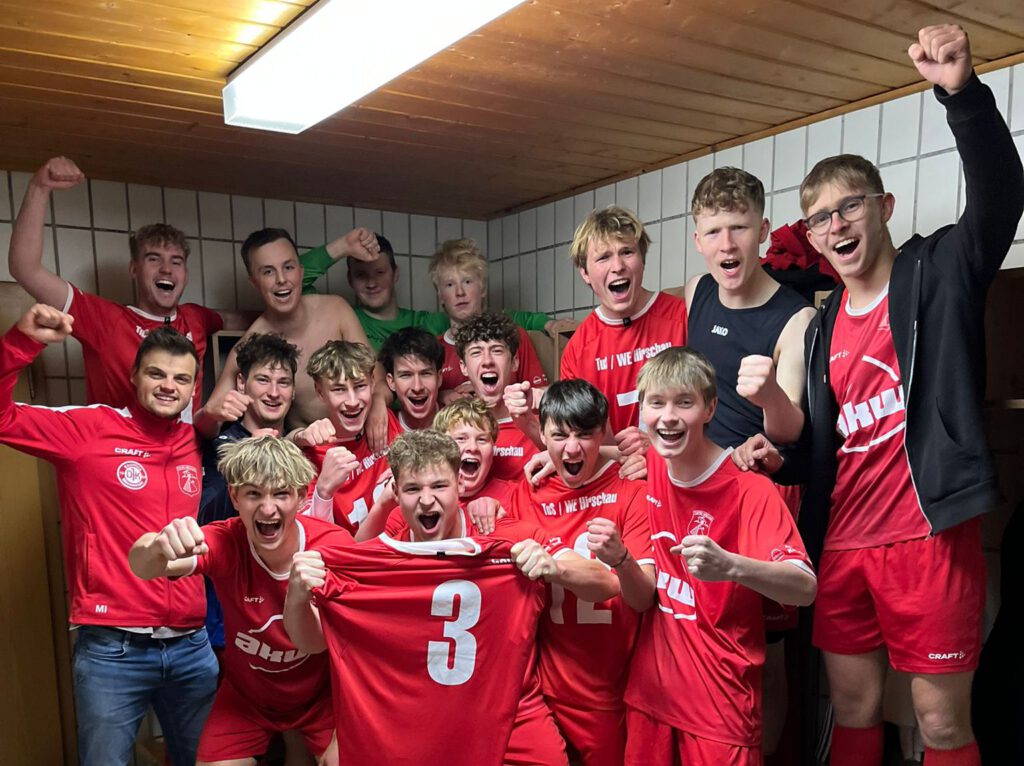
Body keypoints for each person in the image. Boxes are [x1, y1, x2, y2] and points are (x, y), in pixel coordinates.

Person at [744, 24, 1023, 766]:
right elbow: (825, 444)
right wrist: (778, 449)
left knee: (939, 723)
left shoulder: (939, 274)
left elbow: (1000, 199)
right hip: (844, 542)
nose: (836, 226)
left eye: (850, 207)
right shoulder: (821, 324)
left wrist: (962, 95)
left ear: (885, 206)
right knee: (855, 709)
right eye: (820, 218)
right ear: (811, 236)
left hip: (929, 537)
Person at [283, 429, 619, 766]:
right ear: (395, 492)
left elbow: (606, 584)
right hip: (417, 713)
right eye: (413, 489)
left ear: (459, 484)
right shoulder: (381, 558)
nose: (427, 500)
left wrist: (556, 568)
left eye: (439, 486)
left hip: (509, 708)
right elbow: (312, 642)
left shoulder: (507, 539)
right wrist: (297, 594)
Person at [0, 304, 218, 765]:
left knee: (205, 761)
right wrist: (22, 342)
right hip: (112, 648)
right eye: (156, 374)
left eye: (181, 379)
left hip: (192, 645)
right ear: (134, 376)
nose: (169, 386)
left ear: (192, 387)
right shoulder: (89, 429)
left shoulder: (193, 441)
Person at [625, 347, 816, 765]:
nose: (668, 417)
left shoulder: (749, 489)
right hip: (651, 696)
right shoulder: (652, 464)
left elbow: (804, 587)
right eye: (656, 403)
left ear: (710, 408)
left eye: (684, 403)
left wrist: (731, 566)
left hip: (721, 705)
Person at [684, 165, 815, 757]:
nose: (727, 244)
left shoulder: (796, 316)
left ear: (763, 231)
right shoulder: (697, 291)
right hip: (695, 487)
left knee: (766, 654)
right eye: (714, 231)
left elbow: (789, 431)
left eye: (738, 228)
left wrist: (768, 400)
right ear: (697, 239)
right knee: (697, 635)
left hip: (757, 494)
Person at [129, 436, 351, 766]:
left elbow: (347, 644)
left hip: (321, 699)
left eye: (281, 493)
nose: (267, 508)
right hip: (247, 700)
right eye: (253, 494)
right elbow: (143, 566)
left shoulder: (333, 544)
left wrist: (340, 733)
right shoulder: (225, 540)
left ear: (302, 496)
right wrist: (157, 545)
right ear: (234, 496)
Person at [6, 156, 250, 420]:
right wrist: (39, 187)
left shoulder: (196, 318)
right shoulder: (104, 319)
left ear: (186, 273)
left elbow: (242, 320)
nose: (166, 269)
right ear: (134, 269)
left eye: (176, 261)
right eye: (154, 259)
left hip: (184, 444)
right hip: (117, 444)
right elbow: (25, 269)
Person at [509, 379, 652, 765]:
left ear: (603, 432)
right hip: (542, 691)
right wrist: (480, 506)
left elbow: (642, 599)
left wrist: (621, 559)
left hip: (612, 692)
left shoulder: (631, 490)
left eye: (584, 435)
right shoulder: (526, 493)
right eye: (560, 435)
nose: (572, 448)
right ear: (542, 435)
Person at [198, 227, 392, 450]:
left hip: (363, 444)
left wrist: (378, 402)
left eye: (288, 267)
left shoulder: (336, 310)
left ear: (300, 271)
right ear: (254, 282)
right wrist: (209, 414)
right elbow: (209, 422)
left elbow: (379, 380)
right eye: (268, 272)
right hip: (309, 454)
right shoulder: (251, 345)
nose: (281, 279)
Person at [197, 332, 300, 655]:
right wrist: (247, 460)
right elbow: (207, 517)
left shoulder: (299, 448)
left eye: (283, 382)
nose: (274, 392)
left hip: (287, 613)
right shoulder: (217, 445)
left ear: (294, 391)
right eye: (263, 380)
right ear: (241, 383)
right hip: (227, 617)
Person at [559, 205, 688, 444]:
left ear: (642, 260)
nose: (617, 266)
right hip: (615, 465)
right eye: (603, 257)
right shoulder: (577, 350)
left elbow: (712, 408)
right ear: (585, 273)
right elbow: (578, 441)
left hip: (678, 461)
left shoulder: (684, 317)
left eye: (627, 252)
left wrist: (657, 449)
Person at [429, 238, 559, 400]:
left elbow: (541, 397)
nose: (459, 292)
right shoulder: (434, 350)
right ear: (441, 296)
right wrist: (439, 397)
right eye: (450, 285)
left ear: (483, 288)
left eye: (467, 282)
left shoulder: (514, 336)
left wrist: (491, 391)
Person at [297, 340, 390, 534]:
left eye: (360, 386)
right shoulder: (309, 459)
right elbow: (315, 537)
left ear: (373, 383)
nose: (352, 401)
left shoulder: (386, 422)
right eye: (339, 389)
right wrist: (324, 492)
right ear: (320, 392)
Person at [453, 313, 541, 481]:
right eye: (476, 352)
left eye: (497, 351)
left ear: (514, 362)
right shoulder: (453, 429)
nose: (487, 361)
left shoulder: (542, 425)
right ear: (463, 367)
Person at [377, 326, 444, 434]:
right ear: (391, 382)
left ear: (439, 378)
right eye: (406, 375)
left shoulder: (460, 422)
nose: (417, 387)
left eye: (425, 374)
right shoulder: (381, 428)